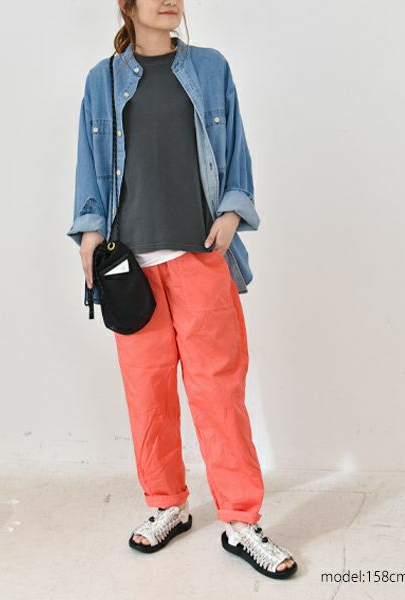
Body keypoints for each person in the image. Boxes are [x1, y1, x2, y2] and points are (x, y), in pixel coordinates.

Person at [67, 0, 298, 579]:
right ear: (128, 5)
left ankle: (241, 520)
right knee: (148, 397)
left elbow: (236, 151)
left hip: (200, 257)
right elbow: (90, 167)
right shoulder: (102, 80)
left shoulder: (211, 68)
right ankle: (167, 504)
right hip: (130, 270)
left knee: (219, 393)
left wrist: (232, 213)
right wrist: (89, 232)